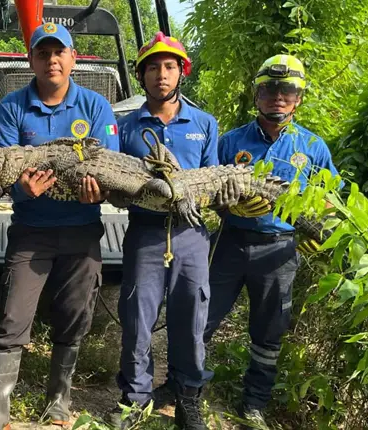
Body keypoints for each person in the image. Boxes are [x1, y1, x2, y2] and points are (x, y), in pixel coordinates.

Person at [111, 32, 265, 430]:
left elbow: (213, 181)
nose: (161, 75)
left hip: (192, 235)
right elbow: (115, 185)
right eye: (152, 68)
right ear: (141, 75)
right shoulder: (125, 127)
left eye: (169, 67)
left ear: (181, 73)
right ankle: (135, 398)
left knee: (191, 319)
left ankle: (187, 395)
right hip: (145, 235)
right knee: (137, 319)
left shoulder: (204, 123)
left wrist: (229, 196)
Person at [0, 22, 120, 430]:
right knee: (11, 318)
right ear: (32, 60)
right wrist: (21, 190)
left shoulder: (96, 107)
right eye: (43, 53)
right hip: (31, 232)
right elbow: (3, 166)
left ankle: (57, 404)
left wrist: (98, 190)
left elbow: (104, 166)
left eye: (59, 52)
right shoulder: (12, 107)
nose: (51, 59)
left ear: (73, 59)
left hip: (82, 231)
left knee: (74, 315)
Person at [199, 54, 339, 429]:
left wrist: (323, 234)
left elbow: (332, 200)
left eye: (287, 90)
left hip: (280, 250)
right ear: (257, 94)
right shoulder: (230, 142)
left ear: (299, 98)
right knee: (202, 318)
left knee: (268, 331)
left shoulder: (313, 148)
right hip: (229, 243)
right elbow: (208, 190)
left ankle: (254, 403)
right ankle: (187, 390)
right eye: (269, 89)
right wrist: (226, 206)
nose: (278, 96)